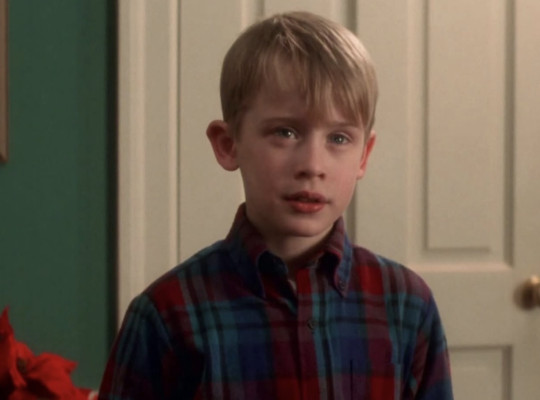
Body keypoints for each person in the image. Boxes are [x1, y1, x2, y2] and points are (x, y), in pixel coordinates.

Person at [98, 11, 453, 400]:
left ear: (364, 156)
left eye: (338, 138)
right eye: (285, 132)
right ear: (228, 144)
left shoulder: (407, 305)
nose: (313, 165)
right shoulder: (167, 314)